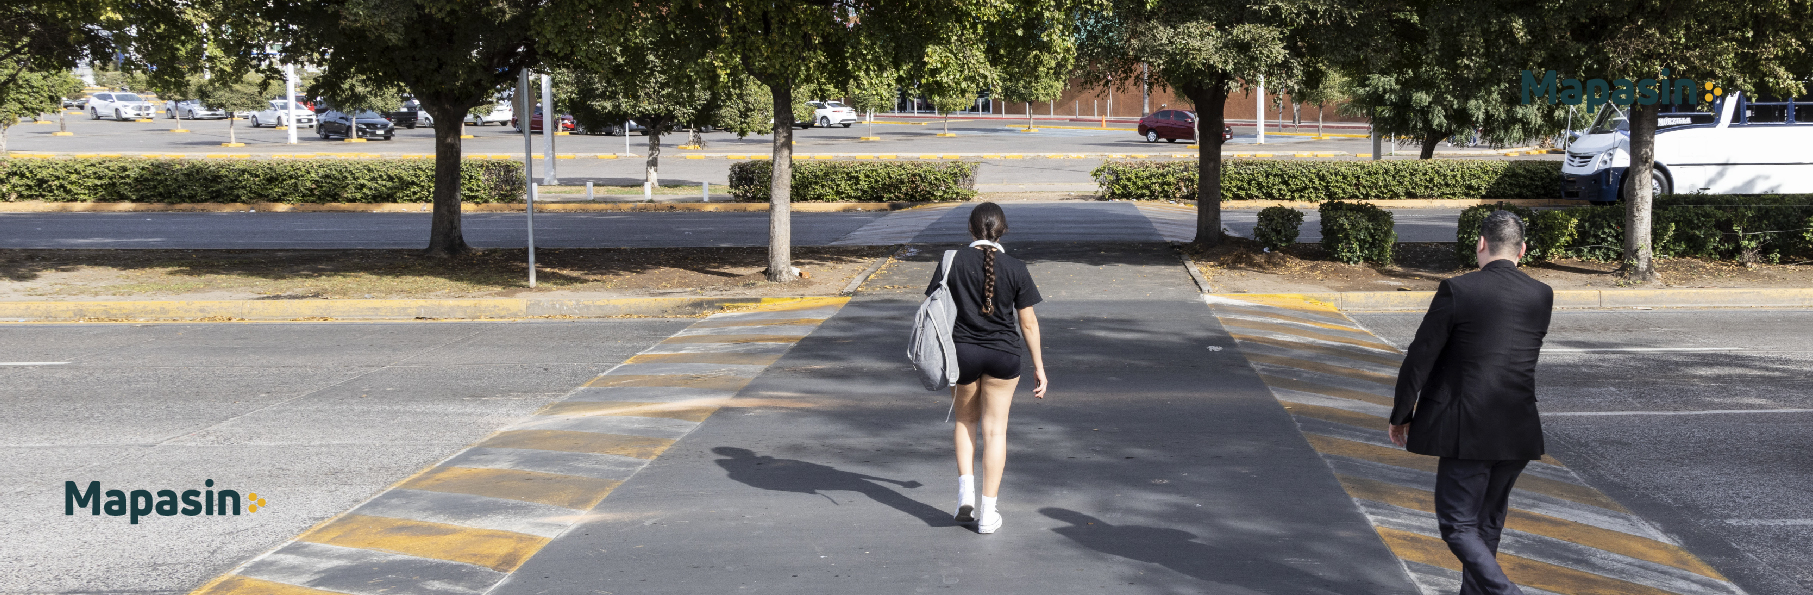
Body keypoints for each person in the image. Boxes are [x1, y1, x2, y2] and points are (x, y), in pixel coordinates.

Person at [1389, 210, 1552, 595]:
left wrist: (1402, 414)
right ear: (1522, 250)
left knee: (1458, 525)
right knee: (1487, 524)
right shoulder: (1541, 294)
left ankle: (1506, 592)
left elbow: (1420, 356)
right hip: (1518, 429)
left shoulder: (1458, 290)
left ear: (1481, 244)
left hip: (1468, 428)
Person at [925, 202, 1047, 534]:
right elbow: (1029, 323)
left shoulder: (951, 262)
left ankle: (965, 495)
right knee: (995, 432)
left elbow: (934, 308)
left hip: (961, 354)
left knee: (965, 422)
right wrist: (1039, 366)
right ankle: (988, 514)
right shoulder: (1016, 267)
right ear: (1003, 230)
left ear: (970, 228)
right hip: (1004, 356)